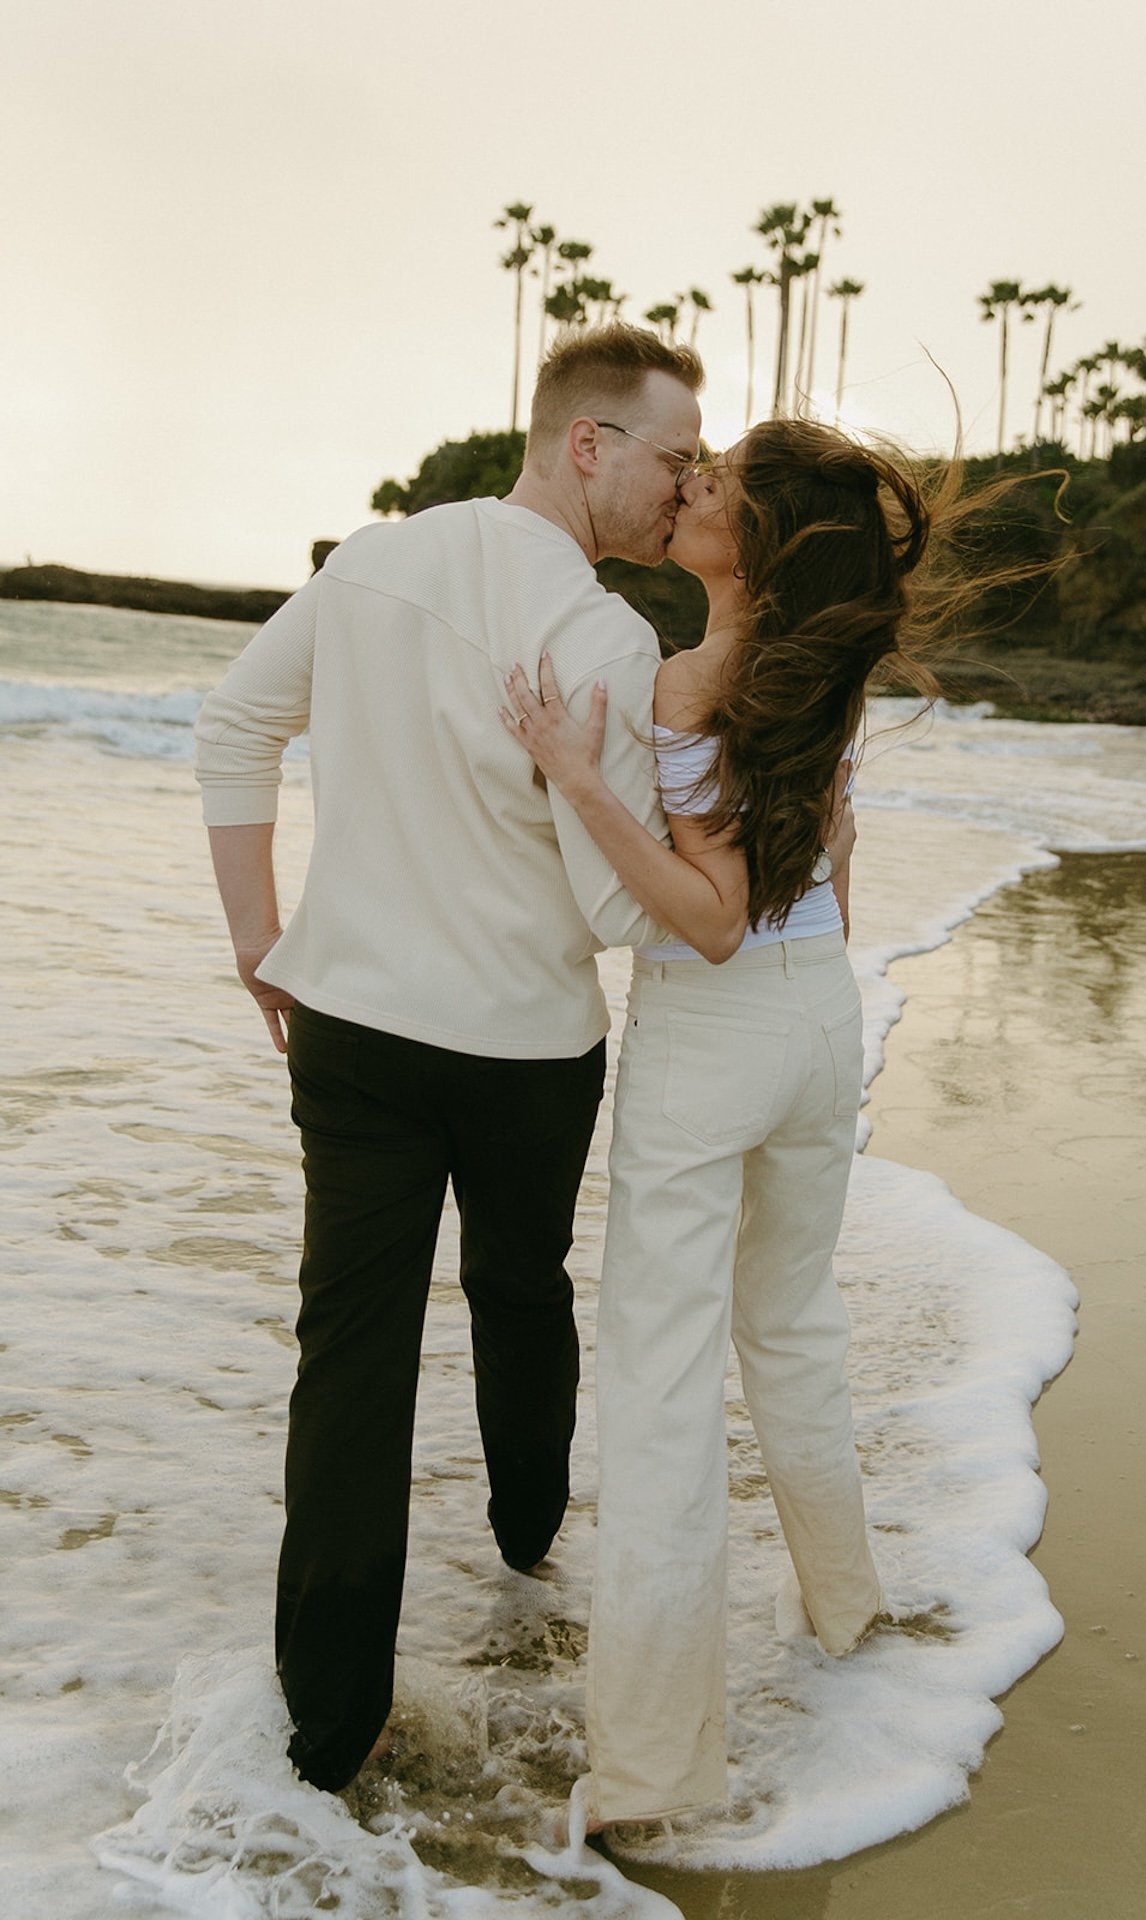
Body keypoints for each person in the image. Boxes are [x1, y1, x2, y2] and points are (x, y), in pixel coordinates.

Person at [194, 324, 704, 1793]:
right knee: (519, 1284)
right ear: (586, 444)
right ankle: (529, 1539)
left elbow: (236, 723)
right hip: (527, 1049)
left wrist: (257, 933)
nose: (684, 488)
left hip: (349, 1026)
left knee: (348, 1353)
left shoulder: (373, 561)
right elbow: (612, 911)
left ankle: (326, 1728)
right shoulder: (607, 641)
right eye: (671, 458)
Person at [502, 417, 951, 1828]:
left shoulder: (689, 684)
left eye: (718, 487)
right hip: (824, 1015)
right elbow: (820, 859)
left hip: (717, 1037)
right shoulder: (818, 676)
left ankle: (653, 1770)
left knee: (660, 1392)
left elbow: (703, 922)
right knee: (794, 1327)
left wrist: (577, 779)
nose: (691, 486)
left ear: (748, 548)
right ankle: (847, 1611)